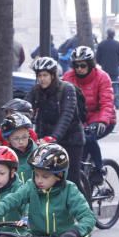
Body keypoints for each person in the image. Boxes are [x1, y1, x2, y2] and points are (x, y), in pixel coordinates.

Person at [62, 46, 116, 187]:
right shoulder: (68, 77)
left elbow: (107, 103)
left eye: (83, 65)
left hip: (103, 118)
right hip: (79, 120)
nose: (79, 69)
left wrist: (102, 121)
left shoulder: (102, 77)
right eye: (76, 65)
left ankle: (98, 169)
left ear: (90, 64)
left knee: (89, 137)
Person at [27, 56, 86, 187]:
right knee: (42, 175)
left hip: (71, 139)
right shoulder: (36, 90)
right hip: (46, 139)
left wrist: (54, 137)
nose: (41, 79)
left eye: (45, 75)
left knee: (71, 179)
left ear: (53, 75)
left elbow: (67, 115)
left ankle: (85, 207)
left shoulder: (67, 89)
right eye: (39, 75)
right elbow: (26, 109)